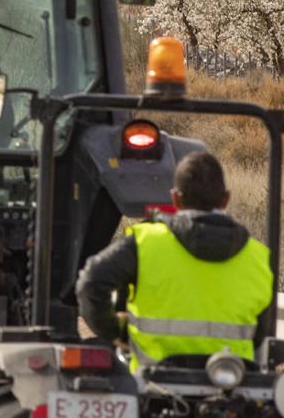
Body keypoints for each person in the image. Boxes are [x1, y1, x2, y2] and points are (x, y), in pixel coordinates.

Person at [76, 151, 273, 372]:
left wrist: (118, 332)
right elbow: (261, 332)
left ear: (175, 199)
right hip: (231, 384)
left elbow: (91, 283)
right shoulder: (260, 257)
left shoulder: (145, 242)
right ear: (226, 198)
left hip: (154, 383)